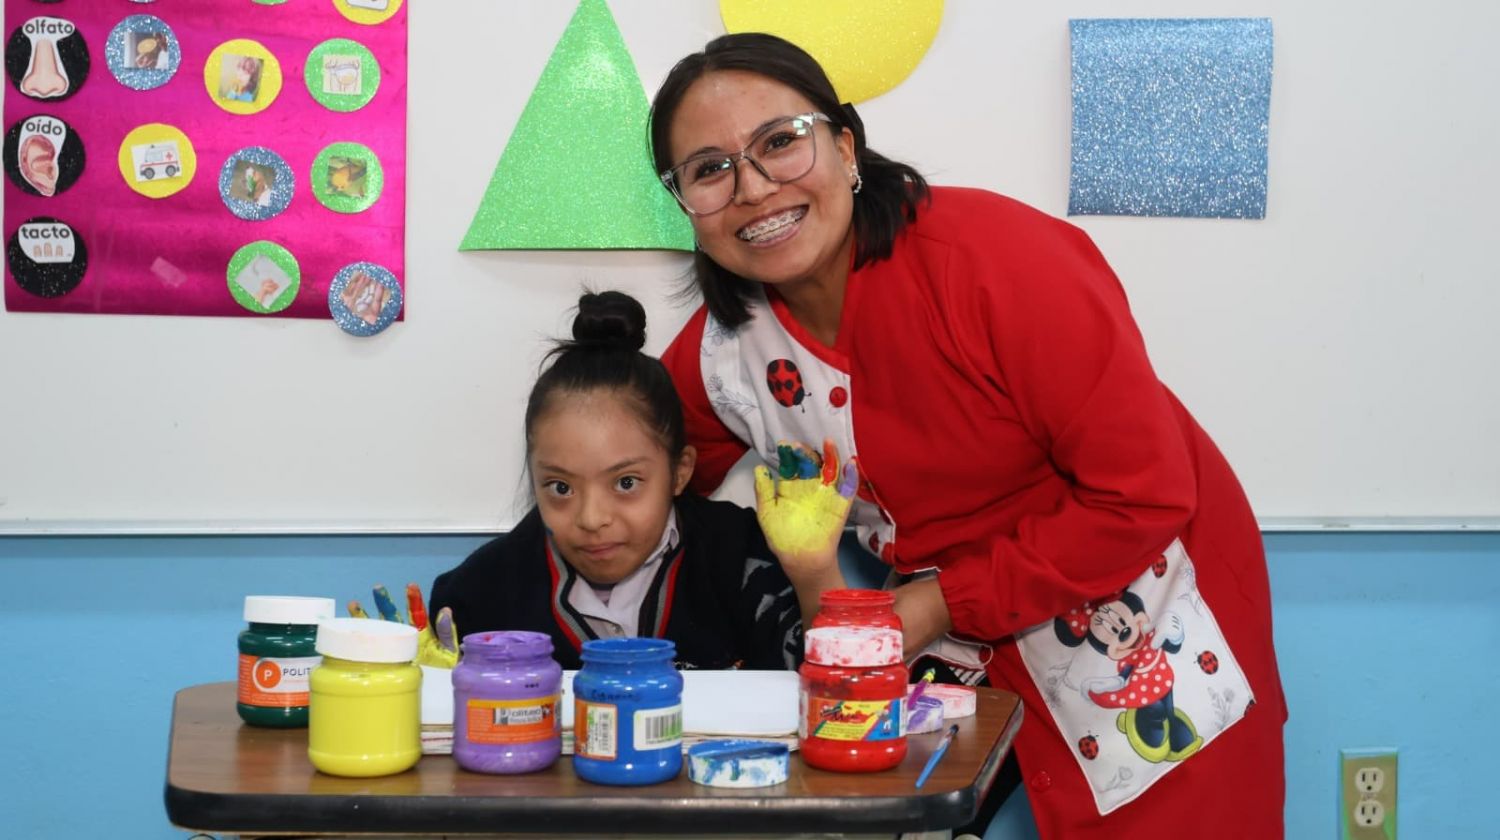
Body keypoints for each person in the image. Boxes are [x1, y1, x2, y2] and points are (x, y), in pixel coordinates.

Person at [651, 33, 1286, 840]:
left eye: (780, 142)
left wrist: (943, 602)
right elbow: (636, 474)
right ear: (686, 204)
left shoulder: (995, 262)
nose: (752, 187)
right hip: (946, 646)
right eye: (709, 169)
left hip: (1143, 604)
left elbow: (1146, 489)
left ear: (845, 146)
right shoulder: (726, 349)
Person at [429, 290, 855, 671]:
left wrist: (814, 572)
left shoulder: (741, 556)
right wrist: (427, 680)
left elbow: (830, 694)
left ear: (680, 471)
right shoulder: (485, 590)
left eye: (626, 483)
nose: (592, 518)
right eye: (560, 488)